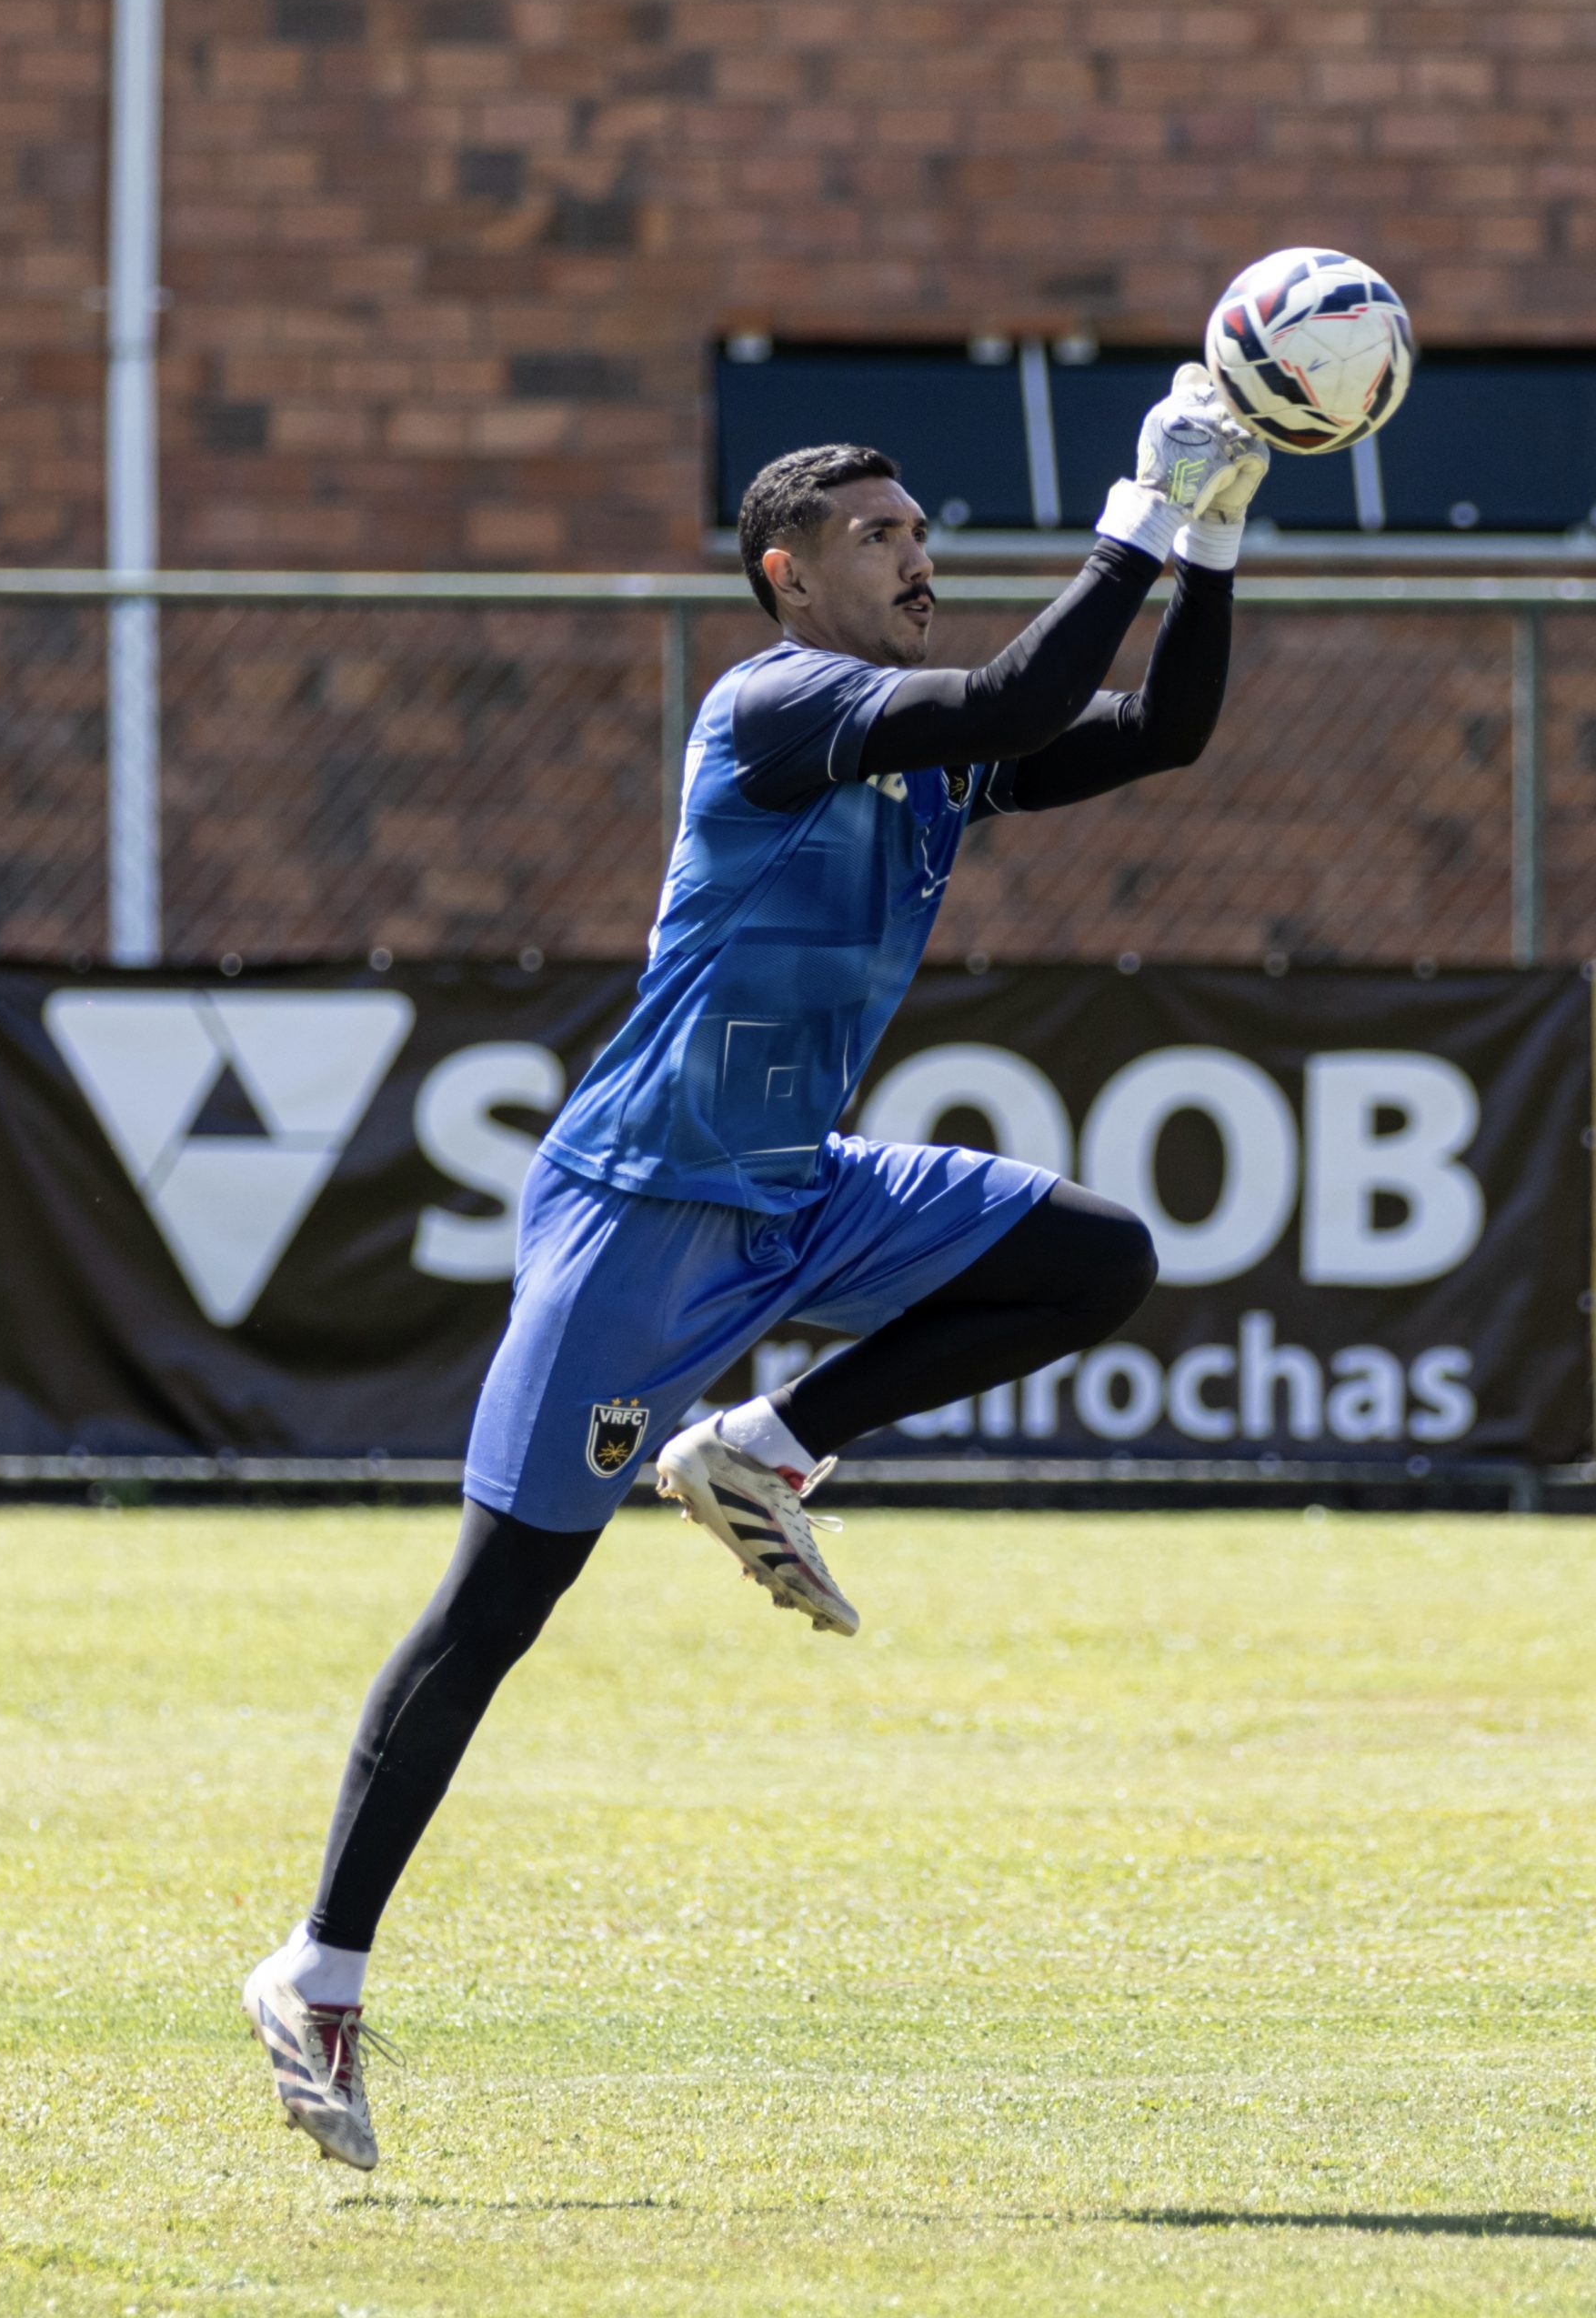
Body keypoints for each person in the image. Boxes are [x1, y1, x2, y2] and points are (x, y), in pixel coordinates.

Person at [243, 364, 1269, 2168]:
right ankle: (315, 1969)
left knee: (1095, 1256)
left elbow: (1159, 729)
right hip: (642, 1212)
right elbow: (1023, 695)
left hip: (798, 1185)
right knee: (496, 1611)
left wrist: (1212, 538)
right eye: (877, 535)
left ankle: (770, 1443)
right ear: (790, 575)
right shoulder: (778, 700)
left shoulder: (922, 737)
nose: (916, 553)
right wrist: (1135, 516)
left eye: (921, 529)